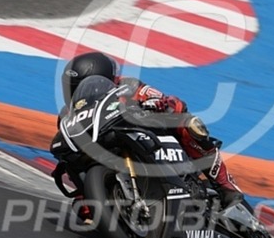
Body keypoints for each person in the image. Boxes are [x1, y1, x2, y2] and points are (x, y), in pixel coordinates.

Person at [49, 52, 244, 217]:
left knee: (188, 123)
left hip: (147, 138)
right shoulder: (66, 115)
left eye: (77, 86)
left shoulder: (128, 86)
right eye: (70, 87)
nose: (73, 92)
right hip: (104, 153)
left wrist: (159, 103)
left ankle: (225, 185)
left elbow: (172, 103)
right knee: (82, 207)